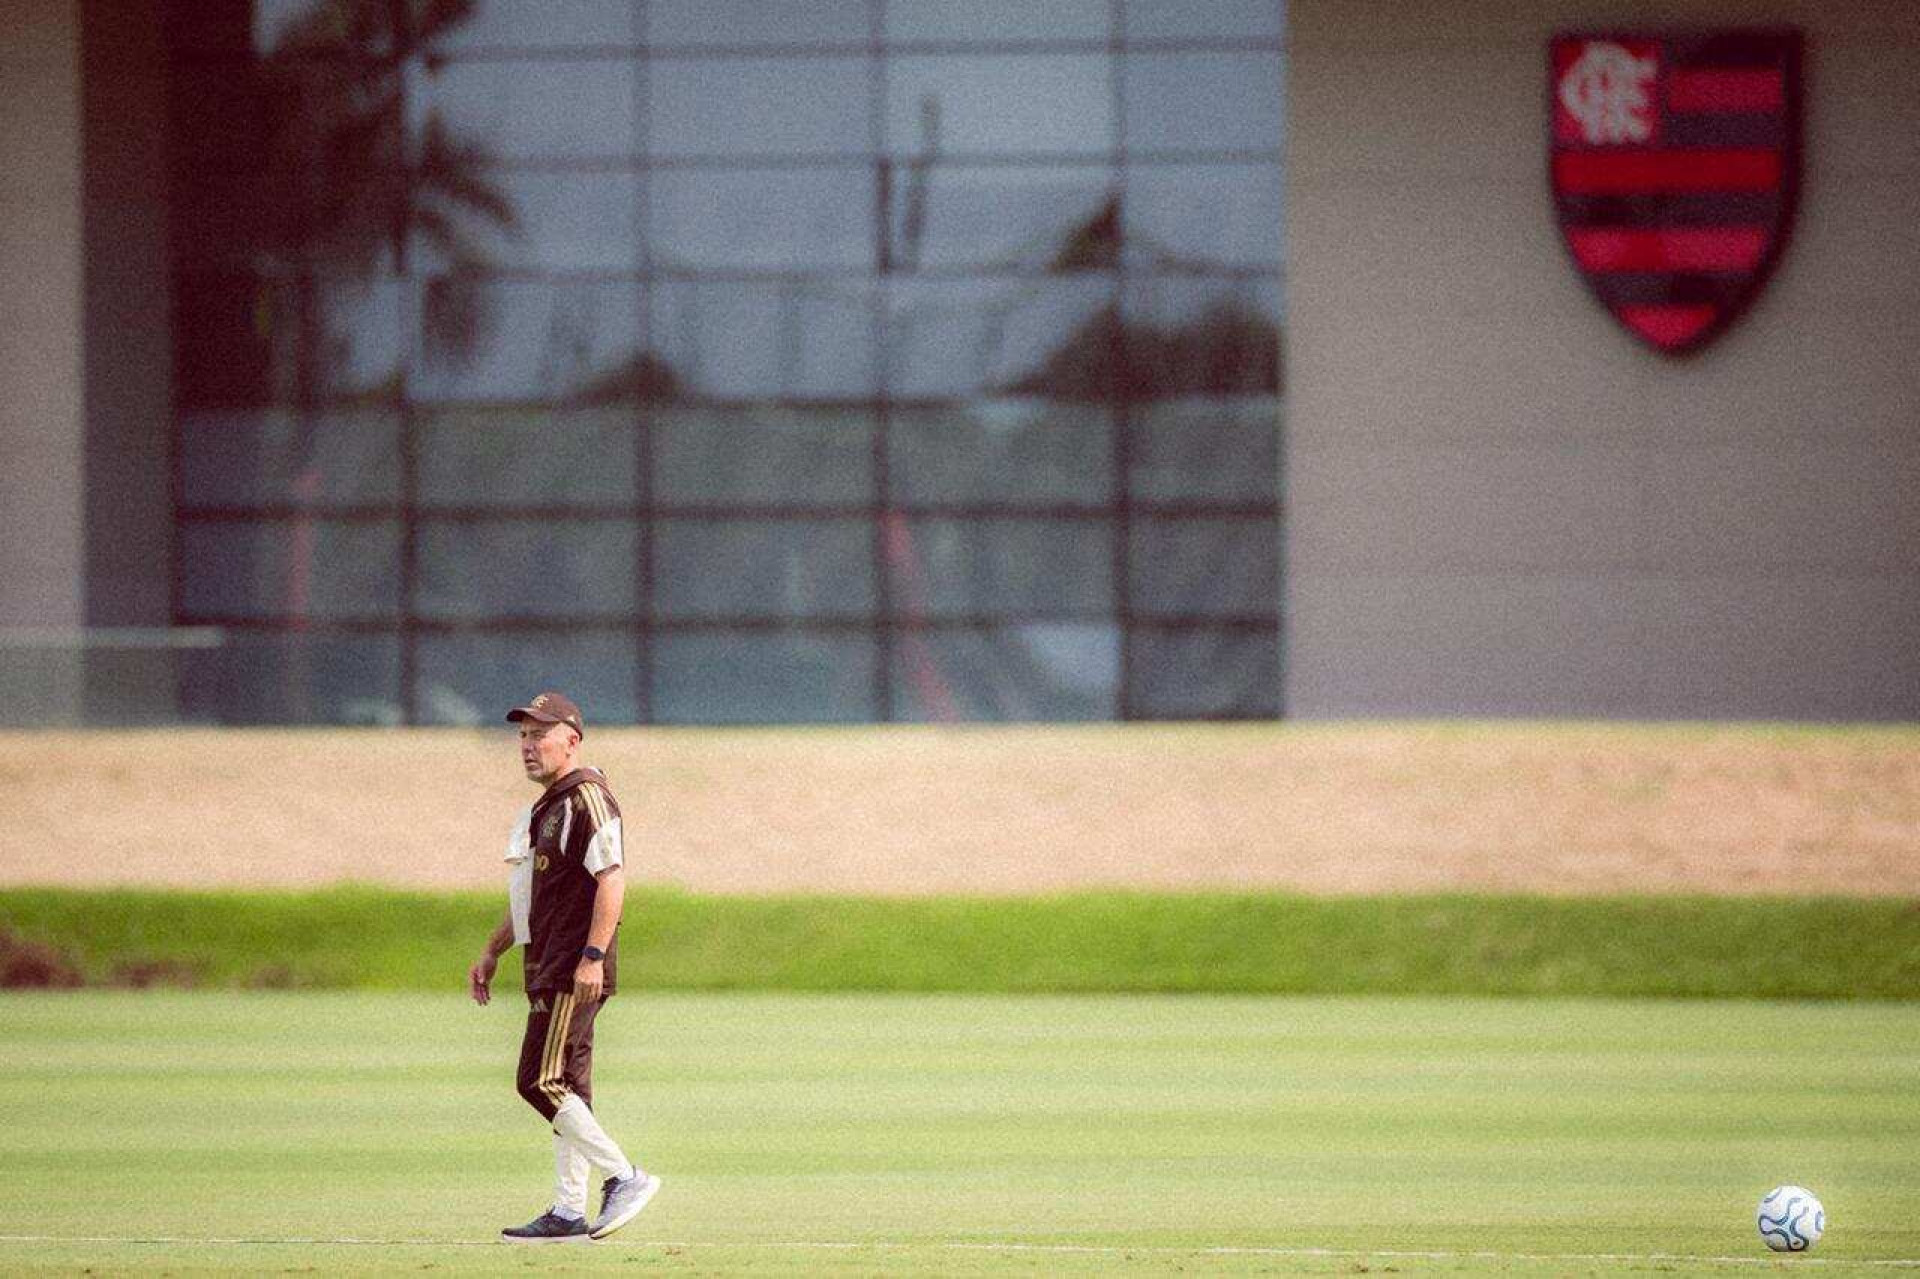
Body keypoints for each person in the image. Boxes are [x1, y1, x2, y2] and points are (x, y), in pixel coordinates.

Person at [468, 691, 661, 1244]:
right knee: (569, 1086)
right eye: (523, 736)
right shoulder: (546, 808)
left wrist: (594, 956)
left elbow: (613, 879)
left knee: (539, 1079)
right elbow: (530, 893)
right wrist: (493, 949)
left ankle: (626, 1176)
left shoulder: (588, 799)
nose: (527, 746)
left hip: (573, 966)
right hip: (548, 961)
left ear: (571, 741)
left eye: (539, 735)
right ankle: (568, 1210)